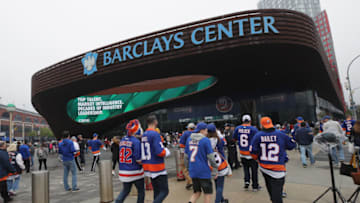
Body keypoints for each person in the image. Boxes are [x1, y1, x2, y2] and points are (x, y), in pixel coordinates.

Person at [250, 117, 296, 203]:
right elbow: (292, 146)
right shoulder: (281, 134)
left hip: (264, 167)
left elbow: (253, 151)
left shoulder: (258, 135)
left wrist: (257, 159)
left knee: (272, 192)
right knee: (276, 197)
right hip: (278, 169)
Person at [185, 122, 218, 203]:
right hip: (203, 171)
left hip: (193, 170)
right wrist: (215, 169)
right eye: (206, 130)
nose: (207, 132)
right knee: (207, 193)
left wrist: (188, 168)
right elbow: (211, 157)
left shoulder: (189, 139)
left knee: (196, 192)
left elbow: (186, 157)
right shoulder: (205, 140)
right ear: (202, 130)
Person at [141, 115, 170, 203]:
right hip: (157, 166)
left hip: (147, 165)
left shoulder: (144, 134)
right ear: (155, 122)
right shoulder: (155, 134)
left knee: (157, 191)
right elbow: (159, 152)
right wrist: (167, 152)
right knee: (165, 191)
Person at [115, 119, 145, 203]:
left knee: (125, 191)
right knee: (141, 191)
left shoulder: (123, 140)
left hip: (124, 171)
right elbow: (138, 159)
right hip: (135, 171)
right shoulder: (136, 141)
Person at [233, 114, 260, 191]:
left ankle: (246, 181)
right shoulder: (253, 129)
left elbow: (234, 139)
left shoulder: (238, 128)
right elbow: (258, 140)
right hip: (252, 153)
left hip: (242, 152)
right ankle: (255, 186)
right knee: (254, 170)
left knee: (246, 168)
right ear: (250, 121)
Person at [207, 123, 230, 203]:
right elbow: (225, 144)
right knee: (220, 185)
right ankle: (218, 201)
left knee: (217, 183)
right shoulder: (219, 140)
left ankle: (222, 199)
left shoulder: (205, 141)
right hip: (220, 164)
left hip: (210, 165)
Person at [179, 122, 196, 190]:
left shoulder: (186, 133)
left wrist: (182, 154)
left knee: (185, 168)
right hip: (196, 154)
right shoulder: (197, 133)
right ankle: (190, 183)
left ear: (189, 128)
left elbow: (181, 145)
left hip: (187, 153)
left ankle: (190, 181)